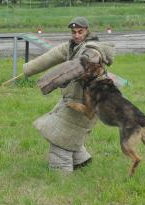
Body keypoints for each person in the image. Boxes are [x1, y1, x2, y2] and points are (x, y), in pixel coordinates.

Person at [23, 17, 114, 172]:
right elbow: (52, 56)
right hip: (71, 99)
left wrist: (49, 81)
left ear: (87, 31)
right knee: (67, 134)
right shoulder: (72, 46)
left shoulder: (93, 48)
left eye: (80, 32)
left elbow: (87, 60)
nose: (77, 35)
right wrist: (27, 69)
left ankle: (60, 174)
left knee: (60, 138)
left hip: (86, 103)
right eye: (74, 32)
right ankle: (81, 162)